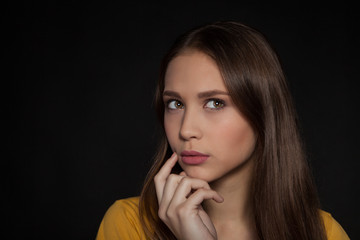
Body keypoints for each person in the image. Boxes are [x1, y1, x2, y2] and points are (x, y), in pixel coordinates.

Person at [95, 21, 350, 240]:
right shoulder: (129, 225)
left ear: (263, 114)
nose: (186, 130)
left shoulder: (322, 233)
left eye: (215, 103)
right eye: (175, 104)